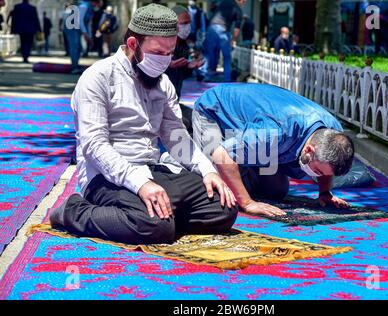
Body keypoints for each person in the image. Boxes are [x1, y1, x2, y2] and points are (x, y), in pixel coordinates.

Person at [49, 4, 238, 245]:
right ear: (132, 44)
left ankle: (149, 216)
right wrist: (140, 184)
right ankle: (74, 211)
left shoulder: (164, 84)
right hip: (106, 177)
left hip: (152, 170)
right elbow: (95, 146)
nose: (165, 60)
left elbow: (176, 137)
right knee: (155, 227)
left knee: (224, 208)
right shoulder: (97, 78)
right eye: (158, 52)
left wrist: (208, 170)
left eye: (170, 53)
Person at [192, 84, 355, 218]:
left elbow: (327, 165)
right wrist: (247, 203)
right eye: (317, 171)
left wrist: (325, 192)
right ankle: (199, 147)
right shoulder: (276, 132)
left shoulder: (333, 134)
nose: (319, 176)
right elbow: (222, 155)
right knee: (218, 189)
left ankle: (245, 159)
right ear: (309, 150)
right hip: (214, 111)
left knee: (275, 191)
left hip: (259, 132)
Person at [205, 0, 245, 82]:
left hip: (212, 27)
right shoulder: (238, 9)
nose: (244, 4)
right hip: (223, 29)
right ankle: (227, 79)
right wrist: (233, 40)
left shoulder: (224, 2)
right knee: (227, 57)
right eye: (244, 1)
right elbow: (237, 29)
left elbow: (212, 7)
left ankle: (207, 76)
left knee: (210, 54)